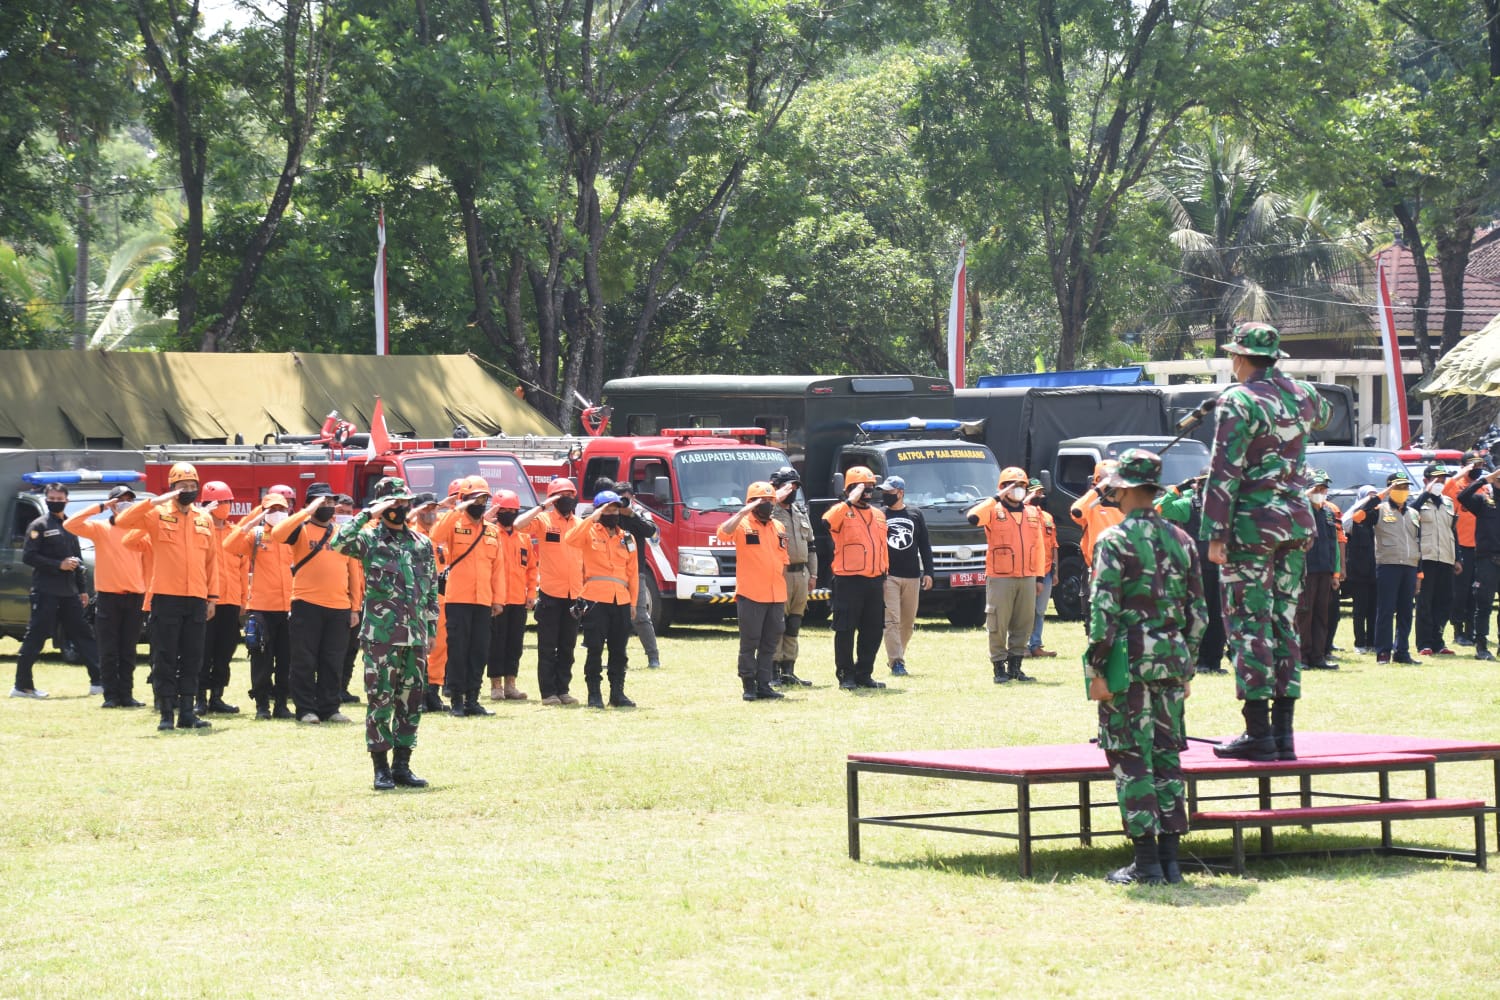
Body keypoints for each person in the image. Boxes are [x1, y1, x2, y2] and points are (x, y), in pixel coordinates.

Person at [1202, 323, 1330, 762]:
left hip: (1252, 528)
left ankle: (1258, 733)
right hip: (1296, 523)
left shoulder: (1237, 400)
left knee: (1248, 624)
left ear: (1239, 358)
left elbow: (1224, 471)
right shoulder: (1304, 394)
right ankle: (1283, 735)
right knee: (1284, 623)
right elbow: (1326, 414)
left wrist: (1215, 534)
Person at [1085, 449, 1206, 885]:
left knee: (1131, 757)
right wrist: (1187, 668)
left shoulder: (1114, 540)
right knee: (1167, 757)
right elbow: (1198, 614)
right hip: (1171, 663)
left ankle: (1147, 863)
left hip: (1128, 667)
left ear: (1127, 490)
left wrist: (1097, 670)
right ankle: (1171, 863)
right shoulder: (1182, 539)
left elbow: (1103, 613)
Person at [330, 477, 441, 791]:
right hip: (381, 637)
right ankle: (380, 769)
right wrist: (368, 514)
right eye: (393, 502)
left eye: (404, 502)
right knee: (380, 700)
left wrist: (431, 628)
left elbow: (431, 587)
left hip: (415, 636)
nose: (400, 507)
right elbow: (338, 542)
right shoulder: (369, 539)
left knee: (411, 702)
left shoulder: (421, 543)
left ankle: (402, 766)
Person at [114, 463, 221, 731]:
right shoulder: (157, 514)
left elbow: (212, 561)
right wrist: (154, 502)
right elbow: (122, 522)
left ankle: (187, 713)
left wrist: (212, 597)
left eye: (192, 486)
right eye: (182, 486)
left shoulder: (204, 518)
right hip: (166, 596)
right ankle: (165, 713)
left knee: (193, 657)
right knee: (165, 657)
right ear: (172, 488)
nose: (188, 490)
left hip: (196, 598)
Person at [270, 481, 364, 725]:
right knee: (304, 660)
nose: (328, 505)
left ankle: (330, 708)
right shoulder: (300, 529)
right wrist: (307, 511)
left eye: (331, 501)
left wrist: (355, 607)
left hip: (339, 607)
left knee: (333, 661)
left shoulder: (341, 533)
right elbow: (277, 533)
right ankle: (305, 709)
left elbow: (353, 571)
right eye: (323, 501)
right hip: (306, 604)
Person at [11, 482, 100, 700]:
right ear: (46, 499)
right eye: (52, 499)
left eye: (59, 499)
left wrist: (82, 590)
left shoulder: (70, 525)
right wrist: (58, 564)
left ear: (66, 500)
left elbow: (77, 560)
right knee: (36, 637)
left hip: (69, 592)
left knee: (84, 635)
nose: (55, 502)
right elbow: (29, 556)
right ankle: (22, 686)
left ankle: (99, 682)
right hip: (45, 591)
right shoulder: (39, 525)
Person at [62, 485, 149, 707]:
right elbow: (70, 524)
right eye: (120, 500)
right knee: (108, 649)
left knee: (128, 650)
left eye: (129, 499)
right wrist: (101, 506)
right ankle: (110, 696)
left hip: (135, 597)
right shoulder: (100, 528)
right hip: (109, 597)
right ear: (112, 504)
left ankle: (126, 695)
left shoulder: (140, 530)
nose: (125, 503)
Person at [430, 475, 504, 718]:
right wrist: (457, 508)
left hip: (483, 600)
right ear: (464, 499)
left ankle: (473, 699)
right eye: (475, 499)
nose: (479, 504)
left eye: (483, 499)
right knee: (458, 651)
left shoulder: (492, 531)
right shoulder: (453, 523)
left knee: (479, 651)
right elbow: (436, 535)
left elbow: (498, 569)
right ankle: (457, 700)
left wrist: (498, 599)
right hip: (458, 599)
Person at [967, 466, 1045, 684]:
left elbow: (1039, 546)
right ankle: (999, 667)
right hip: (1001, 576)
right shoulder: (993, 510)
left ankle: (1016, 667)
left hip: (1027, 576)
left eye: (1021, 485)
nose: (1018, 489)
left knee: (1024, 623)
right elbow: (972, 517)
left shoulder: (1032, 512)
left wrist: (1039, 577)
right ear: (1003, 488)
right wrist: (996, 498)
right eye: (1013, 485)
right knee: (998, 623)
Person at [225, 487, 296, 719]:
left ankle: (281, 705)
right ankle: (262, 705)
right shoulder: (255, 535)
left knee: (286, 660)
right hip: (262, 608)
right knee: (261, 659)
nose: (277, 512)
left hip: (289, 607)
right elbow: (229, 545)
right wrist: (253, 520)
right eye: (272, 509)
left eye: (281, 508)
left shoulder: (293, 536)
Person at [717, 481, 789, 700]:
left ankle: (764, 684)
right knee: (750, 642)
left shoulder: (779, 527)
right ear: (752, 502)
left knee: (770, 642)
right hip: (751, 594)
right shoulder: (742, 524)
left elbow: (783, 558)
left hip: (776, 594)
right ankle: (749, 685)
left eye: (770, 500)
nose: (768, 504)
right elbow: (723, 533)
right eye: (762, 501)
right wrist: (742, 512)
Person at [566, 489, 638, 708]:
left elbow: (633, 573)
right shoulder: (588, 532)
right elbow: (570, 539)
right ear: (599, 510)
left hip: (621, 600)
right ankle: (594, 694)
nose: (613, 513)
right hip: (595, 599)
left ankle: (617, 693)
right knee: (595, 648)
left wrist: (633, 602)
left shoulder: (627, 538)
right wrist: (593, 517)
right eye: (608, 509)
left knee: (619, 650)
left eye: (616, 509)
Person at [516, 477, 585, 705]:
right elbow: (518, 525)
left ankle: (563, 689)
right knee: (547, 646)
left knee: (568, 646)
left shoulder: (580, 524)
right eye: (561, 495)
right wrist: (542, 506)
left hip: (574, 594)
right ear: (553, 499)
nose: (567, 499)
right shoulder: (543, 520)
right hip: (550, 594)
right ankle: (548, 693)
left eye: (570, 495)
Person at [1156, 469, 1228, 674]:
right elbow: (1160, 508)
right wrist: (1178, 489)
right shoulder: (1189, 504)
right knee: (1198, 614)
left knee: (1219, 616)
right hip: (1197, 570)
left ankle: (1214, 661)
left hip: (1221, 568)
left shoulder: (1225, 506)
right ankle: (1198, 660)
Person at [824, 466, 888, 690]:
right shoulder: (841, 511)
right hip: (848, 581)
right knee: (845, 629)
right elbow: (827, 522)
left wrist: (884, 575)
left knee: (873, 630)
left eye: (871, 487)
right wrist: (850, 500)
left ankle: (864, 673)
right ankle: (846, 675)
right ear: (849, 489)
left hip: (875, 581)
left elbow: (882, 548)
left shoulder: (879, 515)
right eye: (862, 487)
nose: (868, 491)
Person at [1350, 472, 1423, 665]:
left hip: (1410, 566)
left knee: (1406, 611)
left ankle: (1402, 651)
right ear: (1390, 488)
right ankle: (1383, 651)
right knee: (1386, 610)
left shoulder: (1414, 513)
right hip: (1388, 565)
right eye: (1398, 487)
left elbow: (1418, 542)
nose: (1403, 491)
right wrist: (1380, 495)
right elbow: (1357, 517)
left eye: (1405, 487)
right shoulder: (1379, 510)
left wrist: (1420, 573)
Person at [877, 475, 933, 677]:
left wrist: (929, 572)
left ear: (900, 493)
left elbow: (924, 545)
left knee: (907, 623)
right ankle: (897, 662)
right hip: (889, 576)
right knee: (891, 620)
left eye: (889, 492)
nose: (885, 495)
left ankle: (897, 654)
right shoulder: (879, 514)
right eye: (884, 492)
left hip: (912, 576)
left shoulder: (915, 514)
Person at [196, 481, 243, 715]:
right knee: (203, 652)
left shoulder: (235, 533)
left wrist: (244, 599)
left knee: (225, 652)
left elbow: (243, 568)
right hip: (206, 600)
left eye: (228, 501)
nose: (225, 506)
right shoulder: (200, 531)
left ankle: (217, 696)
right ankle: (200, 698)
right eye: (220, 502)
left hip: (231, 601)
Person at [486, 489, 536, 701]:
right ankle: (496, 685)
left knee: (515, 644)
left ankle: (511, 684)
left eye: (513, 510)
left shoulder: (524, 538)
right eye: (504, 510)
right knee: (496, 644)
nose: (509, 514)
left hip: (518, 599)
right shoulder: (489, 534)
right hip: (496, 599)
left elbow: (531, 568)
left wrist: (531, 593)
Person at [769, 466, 816, 687]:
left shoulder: (800, 512)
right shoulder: (768, 512)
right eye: (788, 486)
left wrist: (813, 574)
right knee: (777, 623)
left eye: (795, 486)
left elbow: (811, 546)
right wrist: (773, 499)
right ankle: (773, 670)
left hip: (801, 575)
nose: (792, 490)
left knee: (794, 623)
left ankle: (789, 670)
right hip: (781, 574)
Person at [611, 481, 662, 670]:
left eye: (626, 499)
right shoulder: (610, 512)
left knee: (640, 615)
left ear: (633, 498)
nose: (622, 503)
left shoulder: (640, 513)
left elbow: (651, 531)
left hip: (635, 572)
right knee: (615, 617)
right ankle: (618, 659)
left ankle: (653, 657)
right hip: (613, 572)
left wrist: (631, 515)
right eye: (619, 499)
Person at [1296, 471, 1342, 671]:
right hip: (1306, 569)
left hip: (1325, 569)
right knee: (1304, 614)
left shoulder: (1328, 512)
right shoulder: (1301, 509)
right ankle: (1302, 656)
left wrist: (1335, 573)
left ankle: (1318, 656)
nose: (1321, 493)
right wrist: (1307, 493)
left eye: (1324, 489)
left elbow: (1334, 544)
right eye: (1317, 489)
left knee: (1322, 614)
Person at [1413, 463, 1460, 659]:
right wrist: (1426, 493)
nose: (1440, 482)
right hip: (1427, 557)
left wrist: (1457, 557)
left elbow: (1453, 530)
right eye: (1436, 479)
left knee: (1445, 600)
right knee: (1425, 601)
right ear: (1426, 480)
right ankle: (1424, 643)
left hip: (1446, 557)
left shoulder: (1448, 502)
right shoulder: (1417, 500)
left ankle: (1438, 640)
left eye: (1443, 479)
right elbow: (1410, 515)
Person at [408, 492, 450, 711]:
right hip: (415, 600)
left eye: (434, 508)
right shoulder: (410, 533)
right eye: (426, 509)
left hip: (439, 599)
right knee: (417, 648)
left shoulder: (440, 534)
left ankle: (434, 691)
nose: (431, 513)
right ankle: (418, 694)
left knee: (439, 648)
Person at [1457, 462, 1500, 661]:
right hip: (1487, 560)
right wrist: (1484, 480)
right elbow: (1462, 497)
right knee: (1484, 605)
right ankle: (1481, 647)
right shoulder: (1483, 500)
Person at [1445, 451, 1483, 645]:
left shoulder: (1483, 488)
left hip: (1481, 548)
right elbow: (1444, 490)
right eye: (1473, 465)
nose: (1477, 468)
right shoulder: (1457, 486)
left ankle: (1471, 629)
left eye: (1480, 464)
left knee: (1476, 592)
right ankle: (1458, 631)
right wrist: (1460, 473)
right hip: (1461, 547)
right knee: (1460, 592)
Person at [1341, 486, 1379, 654]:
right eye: (1369, 497)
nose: (1373, 501)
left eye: (1375, 497)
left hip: (1375, 571)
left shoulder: (1377, 517)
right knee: (1359, 610)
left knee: (1373, 609)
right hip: (1358, 572)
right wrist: (1364, 502)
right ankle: (1360, 643)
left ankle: (1372, 642)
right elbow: (1345, 522)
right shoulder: (1354, 518)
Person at [1026, 479, 1059, 659]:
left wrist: (1056, 571)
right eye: (1034, 492)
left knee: (1040, 610)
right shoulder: (1022, 515)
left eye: (1040, 492)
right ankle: (1021, 646)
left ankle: (1036, 645)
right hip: (1028, 571)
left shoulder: (1047, 517)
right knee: (1024, 611)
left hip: (1046, 571)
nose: (1038, 495)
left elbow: (1054, 545)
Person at [334, 494, 362, 705]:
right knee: (335, 648)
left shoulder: (358, 536)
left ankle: (342, 688)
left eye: (348, 513)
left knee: (352, 648)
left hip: (358, 600)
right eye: (340, 512)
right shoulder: (331, 536)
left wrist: (357, 606)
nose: (344, 516)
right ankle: (330, 687)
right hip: (336, 600)